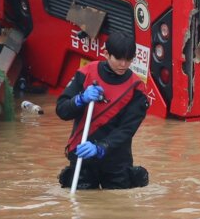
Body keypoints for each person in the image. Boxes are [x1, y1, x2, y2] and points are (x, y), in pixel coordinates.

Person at [57, 30, 151, 190]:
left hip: (116, 160)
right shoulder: (86, 74)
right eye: (119, 59)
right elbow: (62, 110)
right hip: (82, 155)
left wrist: (101, 147)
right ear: (106, 54)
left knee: (116, 207)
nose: (124, 65)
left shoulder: (137, 89)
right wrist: (80, 99)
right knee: (82, 203)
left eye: (129, 60)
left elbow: (126, 130)